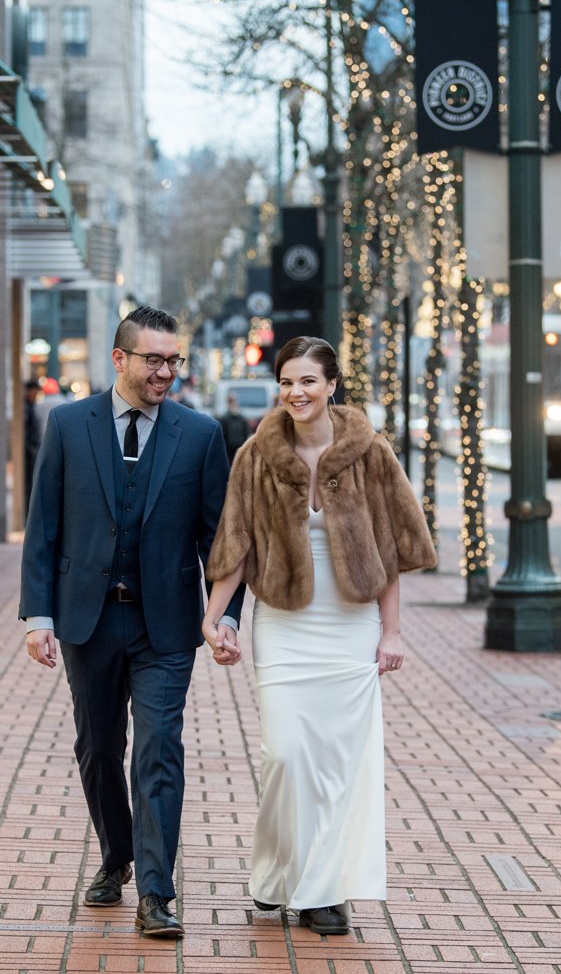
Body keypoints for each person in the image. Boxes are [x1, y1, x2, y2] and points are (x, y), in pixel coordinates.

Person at [19, 305, 245, 940]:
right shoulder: (68, 425)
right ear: (119, 360)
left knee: (158, 751)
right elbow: (44, 527)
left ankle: (156, 892)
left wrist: (223, 614)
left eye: (174, 360)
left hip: (165, 627)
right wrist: (38, 616)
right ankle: (116, 855)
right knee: (97, 751)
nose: (166, 372)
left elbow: (219, 539)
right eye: (154, 360)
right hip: (86, 622)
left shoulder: (199, 435)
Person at [200, 336, 437, 936]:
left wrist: (392, 632)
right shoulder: (256, 454)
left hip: (350, 624)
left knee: (338, 765)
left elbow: (390, 548)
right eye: (286, 381)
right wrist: (214, 616)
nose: (295, 392)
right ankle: (278, 874)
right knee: (284, 754)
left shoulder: (371, 453)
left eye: (307, 381)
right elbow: (236, 543)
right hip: (283, 623)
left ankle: (322, 892)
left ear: (332, 384)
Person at [22, 379, 43, 519]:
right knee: (29, 485)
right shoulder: (25, 408)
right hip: (28, 453)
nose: (36, 394)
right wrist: (31, 450)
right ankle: (27, 516)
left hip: (32, 452)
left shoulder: (31, 406)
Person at [218, 393, 251, 463]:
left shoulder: (240, 417)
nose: (232, 403)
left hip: (238, 447)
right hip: (230, 449)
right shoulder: (225, 418)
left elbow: (246, 432)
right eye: (230, 401)